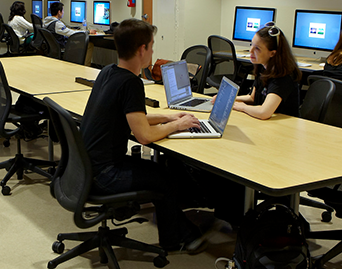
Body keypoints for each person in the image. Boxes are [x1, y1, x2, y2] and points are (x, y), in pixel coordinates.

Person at [80, 19, 210, 252]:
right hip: (105, 175)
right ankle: (176, 240)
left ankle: (180, 232)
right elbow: (144, 136)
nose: (152, 51)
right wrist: (178, 125)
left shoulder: (109, 72)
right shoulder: (131, 83)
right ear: (142, 50)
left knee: (160, 171)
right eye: (151, 46)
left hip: (86, 167)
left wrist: (167, 118)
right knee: (165, 179)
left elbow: (131, 117)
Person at [232, 22, 301, 119]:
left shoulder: (283, 76)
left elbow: (264, 112)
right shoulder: (262, 66)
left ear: (272, 53)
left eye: (257, 48)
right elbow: (252, 98)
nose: (250, 51)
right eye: (251, 44)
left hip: (284, 127)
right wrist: (229, 99)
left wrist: (243, 107)